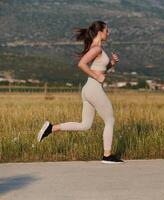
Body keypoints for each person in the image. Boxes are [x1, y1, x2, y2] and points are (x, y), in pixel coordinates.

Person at [37, 20, 124, 164]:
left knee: (85, 125)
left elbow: (100, 70)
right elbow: (81, 64)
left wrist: (112, 64)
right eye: (107, 30)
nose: (108, 33)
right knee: (110, 120)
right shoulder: (96, 49)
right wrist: (96, 76)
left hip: (88, 89)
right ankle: (107, 156)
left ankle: (51, 128)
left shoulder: (97, 48)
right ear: (100, 32)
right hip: (93, 88)